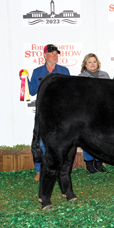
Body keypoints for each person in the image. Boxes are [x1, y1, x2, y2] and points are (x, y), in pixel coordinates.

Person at [28, 44, 70, 181]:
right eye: (51, 53)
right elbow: (32, 91)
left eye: (56, 53)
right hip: (44, 112)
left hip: (61, 112)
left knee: (61, 142)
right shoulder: (37, 71)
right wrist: (24, 81)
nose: (54, 55)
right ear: (44, 55)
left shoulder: (64, 71)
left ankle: (59, 170)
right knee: (40, 142)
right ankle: (39, 171)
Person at [78, 53, 110, 174]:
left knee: (101, 138)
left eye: (94, 62)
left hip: (103, 112)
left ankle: (99, 164)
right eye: (89, 62)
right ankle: (89, 165)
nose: (92, 64)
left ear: (98, 63)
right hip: (87, 113)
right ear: (85, 64)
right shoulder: (81, 77)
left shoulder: (105, 75)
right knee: (87, 138)